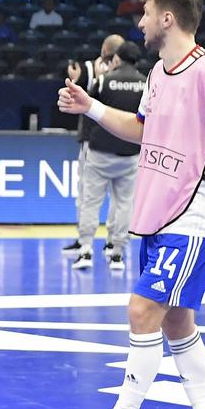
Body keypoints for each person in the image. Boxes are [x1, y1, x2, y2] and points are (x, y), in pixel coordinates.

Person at [60, 0, 205, 409]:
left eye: (146, 13)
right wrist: (91, 107)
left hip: (195, 214)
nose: (140, 22)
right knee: (176, 323)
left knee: (142, 309)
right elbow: (140, 129)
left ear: (167, 18)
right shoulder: (157, 73)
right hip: (159, 211)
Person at [68, 41, 145, 271]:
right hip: (131, 153)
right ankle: (117, 254)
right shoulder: (146, 83)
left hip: (100, 152)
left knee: (90, 202)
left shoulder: (104, 80)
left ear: (117, 59)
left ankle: (85, 250)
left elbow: (87, 110)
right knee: (124, 204)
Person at [63, 33, 124, 256]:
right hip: (110, 141)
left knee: (93, 196)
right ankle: (103, 243)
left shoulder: (107, 71)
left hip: (101, 142)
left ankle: (93, 242)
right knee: (111, 198)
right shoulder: (91, 69)